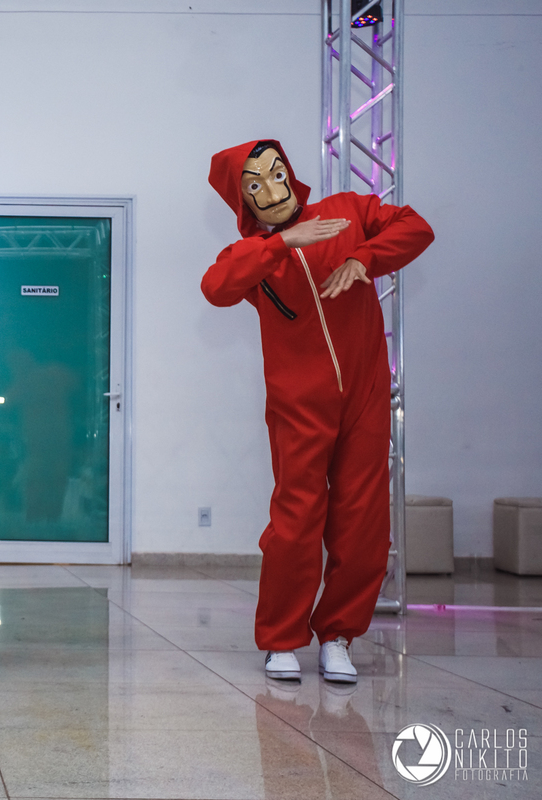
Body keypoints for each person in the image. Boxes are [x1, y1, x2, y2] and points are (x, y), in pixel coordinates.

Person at [201, 141, 434, 683]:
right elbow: (215, 287)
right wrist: (281, 243)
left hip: (365, 396)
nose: (272, 188)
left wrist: (362, 257)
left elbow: (416, 227)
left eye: (276, 173)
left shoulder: (347, 212)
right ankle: (281, 639)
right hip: (298, 405)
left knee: (364, 522)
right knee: (296, 520)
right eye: (254, 185)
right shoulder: (256, 256)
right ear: (243, 202)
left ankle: (338, 635)